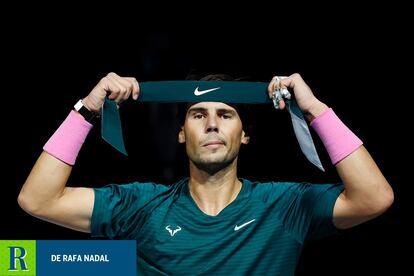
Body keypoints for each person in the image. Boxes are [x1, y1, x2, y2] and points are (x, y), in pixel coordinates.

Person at [18, 72, 394, 275]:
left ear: (244, 135)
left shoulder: (283, 205)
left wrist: (315, 110)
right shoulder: (141, 205)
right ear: (182, 134)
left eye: (225, 114)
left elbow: (374, 198)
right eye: (198, 115)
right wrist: (88, 108)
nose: (212, 124)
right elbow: (37, 200)